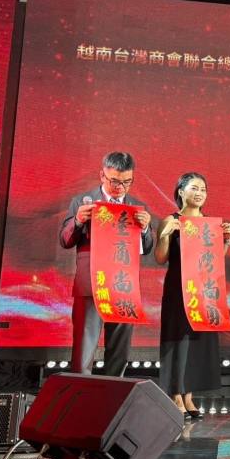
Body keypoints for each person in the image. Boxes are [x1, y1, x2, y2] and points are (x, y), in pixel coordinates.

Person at [59, 151, 153, 376]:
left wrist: (145, 229)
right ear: (102, 175)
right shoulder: (82, 201)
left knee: (120, 350)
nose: (120, 187)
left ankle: (114, 392)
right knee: (84, 349)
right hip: (91, 284)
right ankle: (81, 393)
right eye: (115, 181)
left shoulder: (137, 206)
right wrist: (78, 220)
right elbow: (65, 240)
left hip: (123, 287)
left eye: (127, 182)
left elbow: (147, 247)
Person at [155, 172, 230, 419]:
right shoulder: (171, 220)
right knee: (178, 340)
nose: (200, 193)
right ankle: (175, 395)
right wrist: (165, 235)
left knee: (198, 343)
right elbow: (160, 258)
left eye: (203, 189)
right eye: (194, 188)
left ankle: (189, 395)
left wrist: (227, 241)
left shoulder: (209, 224)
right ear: (181, 192)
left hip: (203, 291)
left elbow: (215, 261)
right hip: (179, 290)